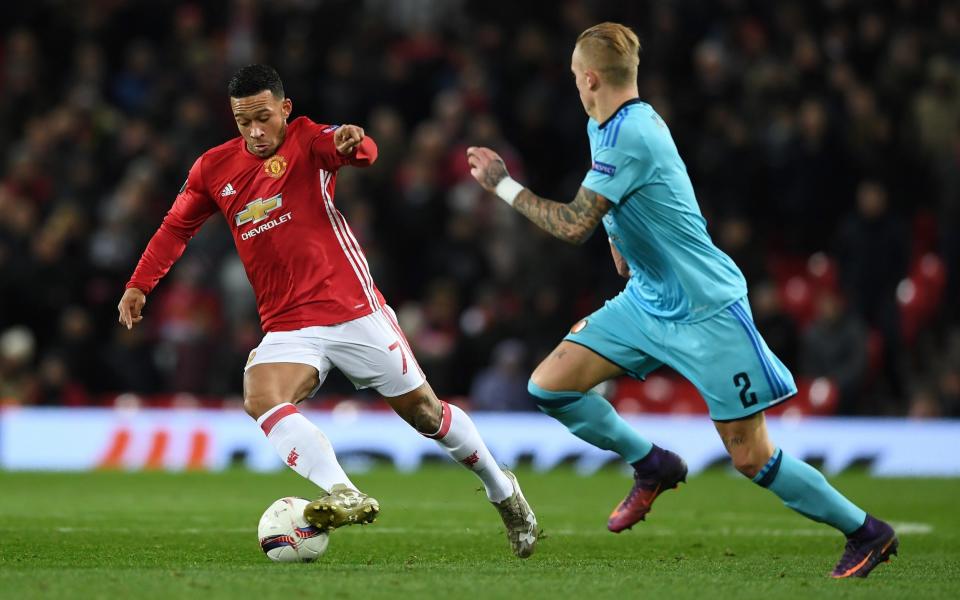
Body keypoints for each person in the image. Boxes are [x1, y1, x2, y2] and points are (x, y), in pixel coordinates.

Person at [467, 22, 896, 577]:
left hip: (706, 309)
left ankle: (867, 532)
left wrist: (503, 184)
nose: (575, 85)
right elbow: (622, 203)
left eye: (576, 77)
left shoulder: (632, 134)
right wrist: (620, 240)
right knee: (549, 386)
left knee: (750, 456)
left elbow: (573, 224)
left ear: (591, 77)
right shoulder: (603, 124)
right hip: (647, 300)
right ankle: (652, 464)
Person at [118, 64, 537, 558]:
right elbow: (175, 227)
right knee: (260, 395)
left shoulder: (306, 139)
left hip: (352, 309)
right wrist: (140, 284)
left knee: (427, 414)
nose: (255, 132)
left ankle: (503, 490)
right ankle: (344, 491)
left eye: (263, 118)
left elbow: (359, 150)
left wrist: (354, 143)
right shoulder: (213, 168)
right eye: (242, 121)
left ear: (284, 109)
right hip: (287, 325)